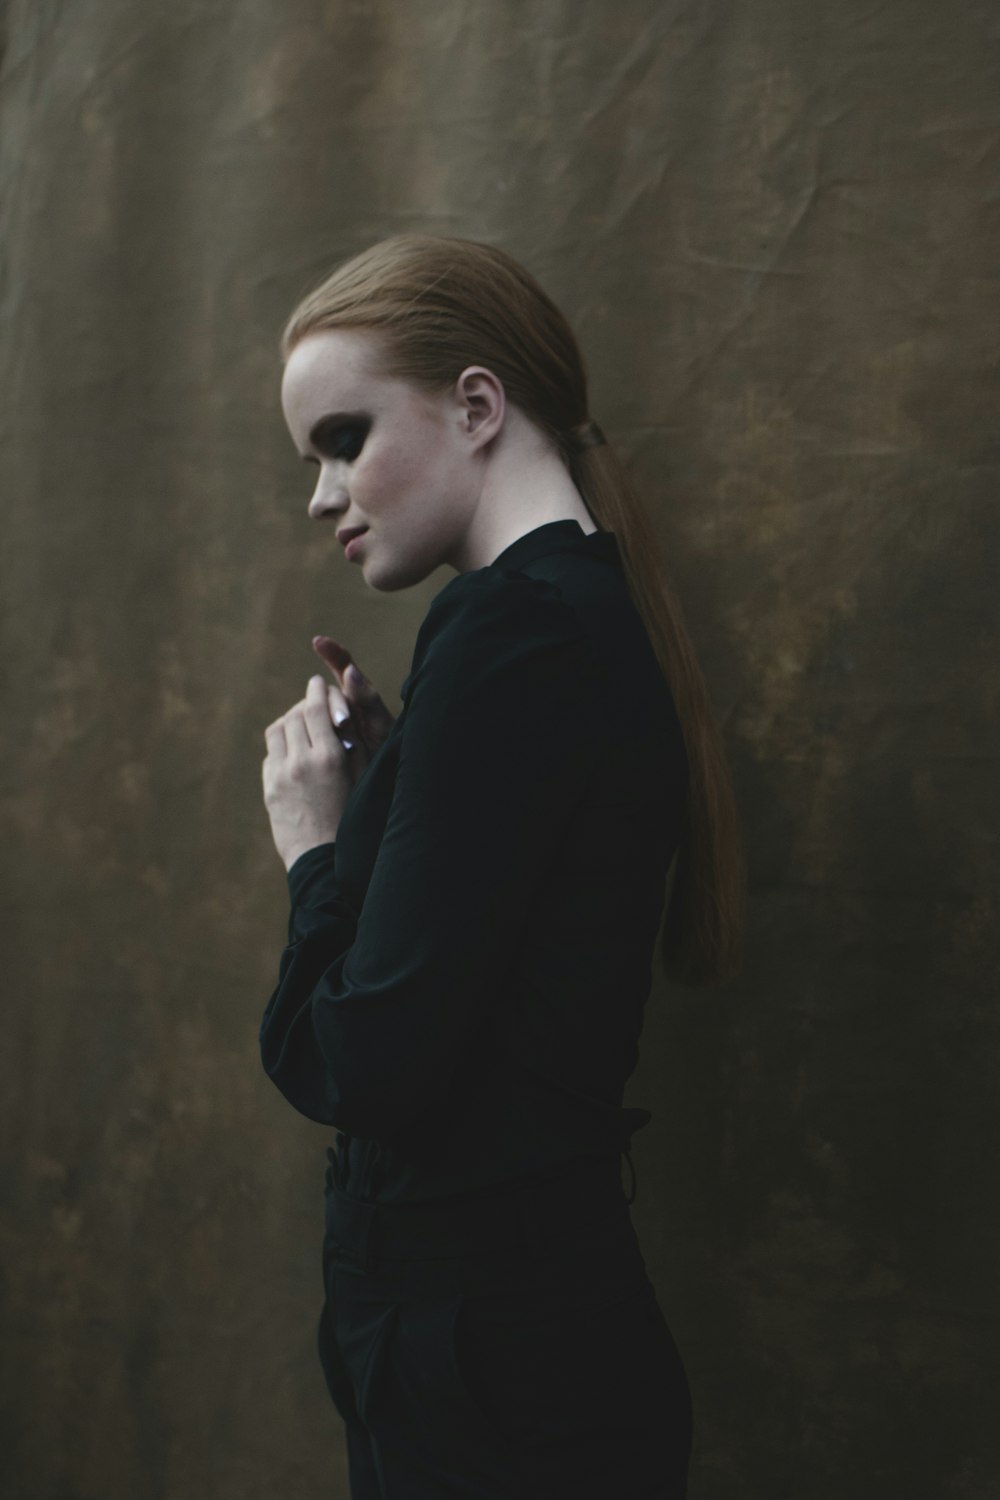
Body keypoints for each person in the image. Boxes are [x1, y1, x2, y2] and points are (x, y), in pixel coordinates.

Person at [258, 234, 746, 1499]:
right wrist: (390, 799)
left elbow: (363, 1061)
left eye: (344, 438)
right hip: (525, 1348)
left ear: (478, 405)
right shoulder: (561, 617)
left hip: (492, 1375)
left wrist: (316, 846)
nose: (323, 495)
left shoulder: (508, 632)